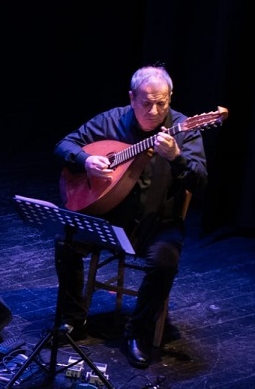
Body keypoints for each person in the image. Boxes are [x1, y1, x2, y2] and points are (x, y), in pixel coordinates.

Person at [53, 65, 208, 369]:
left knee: (165, 262)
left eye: (161, 103)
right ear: (131, 98)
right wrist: (86, 160)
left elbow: (200, 181)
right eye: (146, 103)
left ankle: (138, 331)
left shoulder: (185, 129)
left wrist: (176, 157)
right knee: (65, 242)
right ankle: (73, 318)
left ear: (170, 97)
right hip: (109, 217)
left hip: (157, 222)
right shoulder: (111, 120)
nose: (154, 111)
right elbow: (63, 145)